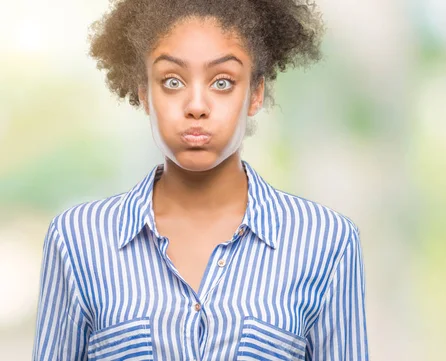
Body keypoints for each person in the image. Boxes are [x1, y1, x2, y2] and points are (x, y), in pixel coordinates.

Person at [32, 0, 369, 360]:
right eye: (172, 81)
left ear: (255, 94)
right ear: (145, 92)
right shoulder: (77, 240)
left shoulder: (327, 242)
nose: (196, 105)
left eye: (222, 82)